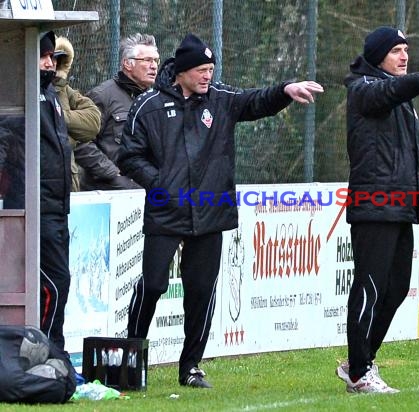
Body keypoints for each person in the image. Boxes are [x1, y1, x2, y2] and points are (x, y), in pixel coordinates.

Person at [118, 32, 323, 389]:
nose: (207, 75)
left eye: (211, 69)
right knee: (152, 285)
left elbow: (256, 101)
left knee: (200, 290)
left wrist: (286, 89)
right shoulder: (148, 105)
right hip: (166, 212)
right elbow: (129, 155)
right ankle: (132, 357)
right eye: (200, 69)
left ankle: (191, 366)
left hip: (211, 214)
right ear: (181, 71)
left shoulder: (222, 99)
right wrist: (161, 183)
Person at [337, 26, 419, 394]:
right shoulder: (363, 89)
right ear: (377, 56)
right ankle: (360, 371)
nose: (404, 56)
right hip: (374, 204)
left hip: (400, 205)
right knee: (371, 287)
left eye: (406, 49)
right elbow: (388, 92)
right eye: (395, 50)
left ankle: (359, 363)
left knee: (395, 289)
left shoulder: (399, 96)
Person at [74, 33, 159, 190]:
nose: (154, 66)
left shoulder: (154, 100)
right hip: (108, 193)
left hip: (147, 190)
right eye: (147, 60)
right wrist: (111, 173)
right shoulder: (102, 96)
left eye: (155, 60)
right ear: (127, 64)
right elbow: (80, 142)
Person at [38, 31, 73, 352]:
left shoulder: (50, 95)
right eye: (44, 57)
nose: (50, 64)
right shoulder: (22, 96)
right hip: (36, 210)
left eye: (53, 58)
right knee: (55, 283)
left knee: (59, 282)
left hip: (58, 208)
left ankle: (54, 353)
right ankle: (47, 353)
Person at [52, 36, 101, 191]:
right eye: (45, 57)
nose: (51, 63)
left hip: (67, 183)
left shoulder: (64, 90)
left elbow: (92, 122)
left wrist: (56, 115)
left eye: (56, 59)